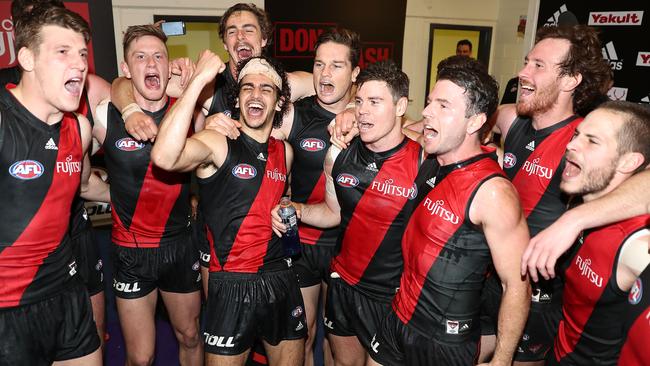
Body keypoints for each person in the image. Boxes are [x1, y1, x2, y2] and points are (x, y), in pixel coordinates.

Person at [208, 27, 360, 366]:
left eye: (336, 65)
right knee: (301, 334)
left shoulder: (368, 116)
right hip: (300, 241)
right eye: (319, 65)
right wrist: (221, 122)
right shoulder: (295, 114)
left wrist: (357, 108)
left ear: (355, 74)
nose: (325, 74)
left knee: (339, 347)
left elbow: (406, 128)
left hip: (347, 246)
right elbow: (253, 131)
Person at [365, 55, 530, 366]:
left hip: (443, 341)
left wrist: (502, 360)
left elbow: (517, 284)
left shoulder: (493, 193)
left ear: (475, 121)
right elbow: (390, 133)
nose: (427, 112)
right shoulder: (431, 157)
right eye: (429, 103)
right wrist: (349, 113)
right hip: (397, 316)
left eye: (443, 106)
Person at [151, 53, 306, 366]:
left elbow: (281, 197)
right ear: (238, 99)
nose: (255, 93)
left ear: (278, 103)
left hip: (281, 278)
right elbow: (165, 157)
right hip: (233, 283)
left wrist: (286, 210)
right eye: (247, 87)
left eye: (266, 88)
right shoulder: (219, 142)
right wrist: (196, 84)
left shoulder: (284, 152)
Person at [272, 60, 420, 366]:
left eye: (375, 102)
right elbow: (332, 214)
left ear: (401, 105)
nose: (363, 110)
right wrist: (296, 209)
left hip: (393, 296)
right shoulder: (339, 153)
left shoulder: (424, 161)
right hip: (344, 285)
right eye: (361, 101)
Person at [482, 25, 612, 365]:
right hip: (488, 279)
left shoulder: (583, 142)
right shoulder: (511, 119)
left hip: (538, 297)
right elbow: (446, 122)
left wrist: (575, 219)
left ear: (571, 80)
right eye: (526, 62)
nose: (523, 73)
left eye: (538, 65)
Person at [0, 6, 109, 365]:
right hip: (8, 308)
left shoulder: (78, 128)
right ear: (27, 58)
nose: (78, 64)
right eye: (62, 52)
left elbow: (80, 185)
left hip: (66, 292)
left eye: (81, 54)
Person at [94, 25, 202, 366]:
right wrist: (108, 192)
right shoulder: (104, 115)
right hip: (130, 251)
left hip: (180, 246)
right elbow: (77, 175)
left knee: (190, 336)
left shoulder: (188, 114)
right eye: (140, 57)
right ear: (126, 70)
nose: (150, 62)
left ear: (169, 66)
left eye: (158, 56)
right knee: (141, 357)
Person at [114, 3, 313, 143]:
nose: (241, 36)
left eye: (249, 30)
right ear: (225, 44)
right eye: (232, 32)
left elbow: (335, 86)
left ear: (264, 39)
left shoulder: (286, 84)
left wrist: (347, 107)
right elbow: (125, 83)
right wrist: (130, 111)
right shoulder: (207, 83)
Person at [547, 101, 650, 364]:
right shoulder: (578, 196)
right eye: (577, 135)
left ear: (629, 162)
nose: (572, 145)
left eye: (592, 141)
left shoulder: (635, 242)